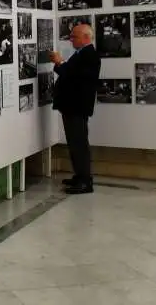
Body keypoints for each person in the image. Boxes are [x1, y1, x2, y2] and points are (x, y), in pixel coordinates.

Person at [50, 23, 101, 195]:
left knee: (79, 144)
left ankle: (85, 181)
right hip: (72, 107)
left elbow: (74, 76)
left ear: (86, 37)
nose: (71, 39)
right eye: (71, 36)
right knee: (74, 143)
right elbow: (71, 73)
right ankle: (80, 176)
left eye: (75, 36)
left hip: (77, 107)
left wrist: (59, 62)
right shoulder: (81, 54)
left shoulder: (89, 55)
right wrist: (61, 64)